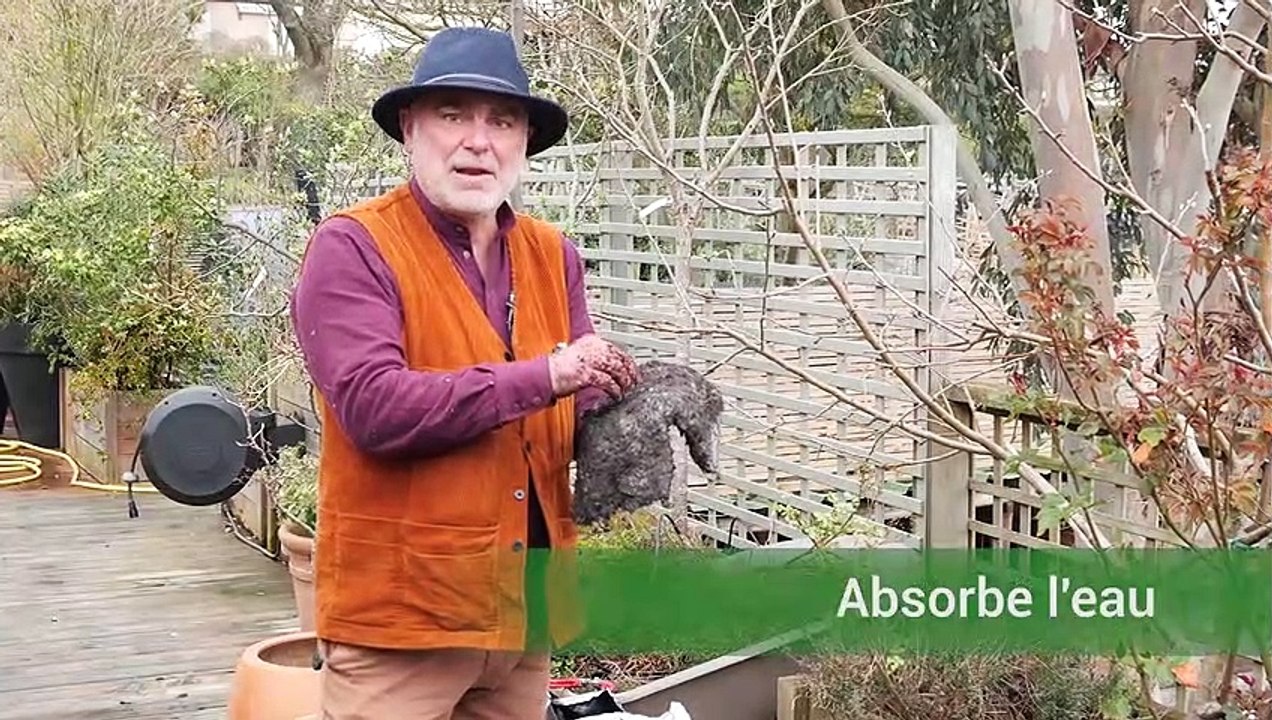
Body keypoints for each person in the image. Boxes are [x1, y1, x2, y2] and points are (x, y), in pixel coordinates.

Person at [289, 26, 639, 719]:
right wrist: (550, 375)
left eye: (502, 120)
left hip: (524, 620)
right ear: (411, 129)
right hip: (401, 630)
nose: (478, 141)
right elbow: (375, 408)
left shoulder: (552, 255)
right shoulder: (354, 247)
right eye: (453, 114)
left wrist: (628, 409)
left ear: (524, 143)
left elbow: (571, 402)